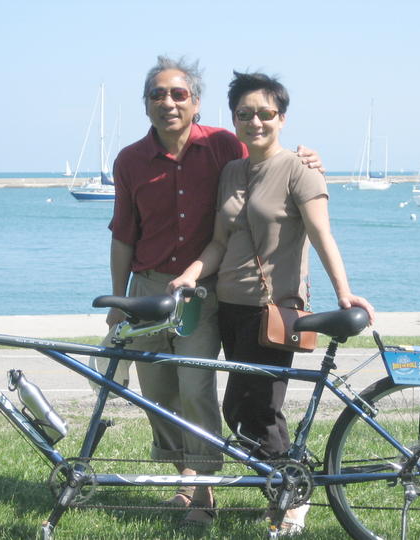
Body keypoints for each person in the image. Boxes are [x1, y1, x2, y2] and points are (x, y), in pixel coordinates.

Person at [107, 56, 323, 525]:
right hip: (147, 288)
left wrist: (308, 159)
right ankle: (186, 476)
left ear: (196, 102)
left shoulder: (223, 145)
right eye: (157, 95)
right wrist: (117, 301)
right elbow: (123, 234)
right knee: (156, 394)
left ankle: (203, 492)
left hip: (201, 291)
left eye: (178, 94)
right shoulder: (129, 160)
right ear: (145, 104)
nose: (168, 103)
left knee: (196, 388)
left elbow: (268, 158)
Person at [169, 71, 375, 534]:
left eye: (266, 113)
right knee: (240, 409)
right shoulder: (232, 171)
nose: (255, 122)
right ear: (234, 119)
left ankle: (292, 498)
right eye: (245, 114)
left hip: (273, 312)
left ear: (282, 118)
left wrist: (344, 292)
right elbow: (219, 243)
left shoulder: (300, 169)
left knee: (258, 411)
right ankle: (282, 486)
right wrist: (191, 273)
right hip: (229, 308)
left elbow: (321, 234)